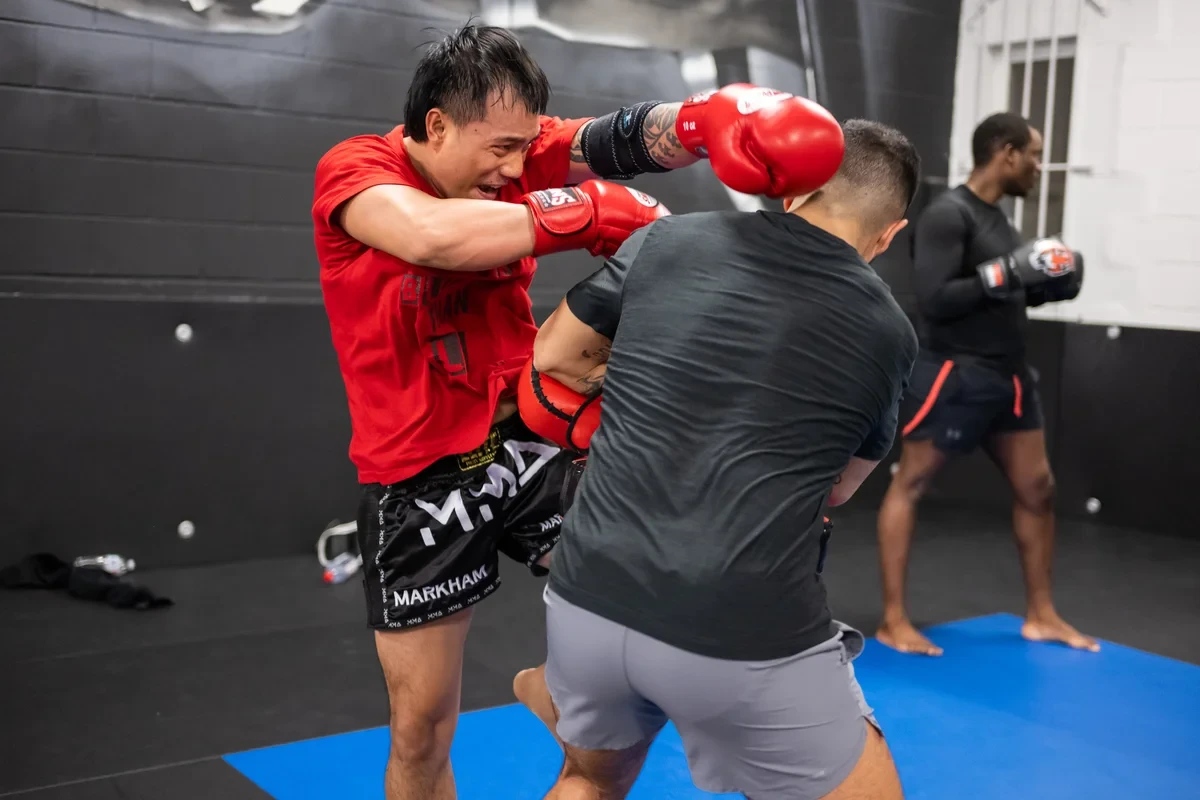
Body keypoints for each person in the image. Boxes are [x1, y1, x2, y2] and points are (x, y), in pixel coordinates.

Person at [310, 21, 844, 800]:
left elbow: (624, 139)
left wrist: (708, 123)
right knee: (422, 727)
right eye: (499, 149)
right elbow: (429, 237)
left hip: (534, 442)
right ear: (436, 126)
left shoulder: (517, 154)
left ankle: (569, 722)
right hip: (419, 476)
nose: (517, 166)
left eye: (527, 146)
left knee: (660, 609)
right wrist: (589, 212)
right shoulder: (358, 169)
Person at [517, 120, 920, 800]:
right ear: (891, 234)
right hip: (737, 631)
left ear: (790, 190)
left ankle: (555, 687)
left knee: (586, 780)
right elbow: (838, 490)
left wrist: (665, 392)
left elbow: (554, 356)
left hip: (586, 594)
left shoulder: (666, 239)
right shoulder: (889, 333)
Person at [873, 111, 1093, 657]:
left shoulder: (999, 219)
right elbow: (936, 298)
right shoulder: (949, 214)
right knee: (912, 484)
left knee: (1038, 489)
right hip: (955, 372)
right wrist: (1009, 274)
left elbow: (1003, 287)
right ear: (1006, 152)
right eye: (1035, 155)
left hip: (1009, 375)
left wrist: (1043, 287)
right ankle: (893, 620)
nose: (1039, 166)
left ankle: (1041, 614)